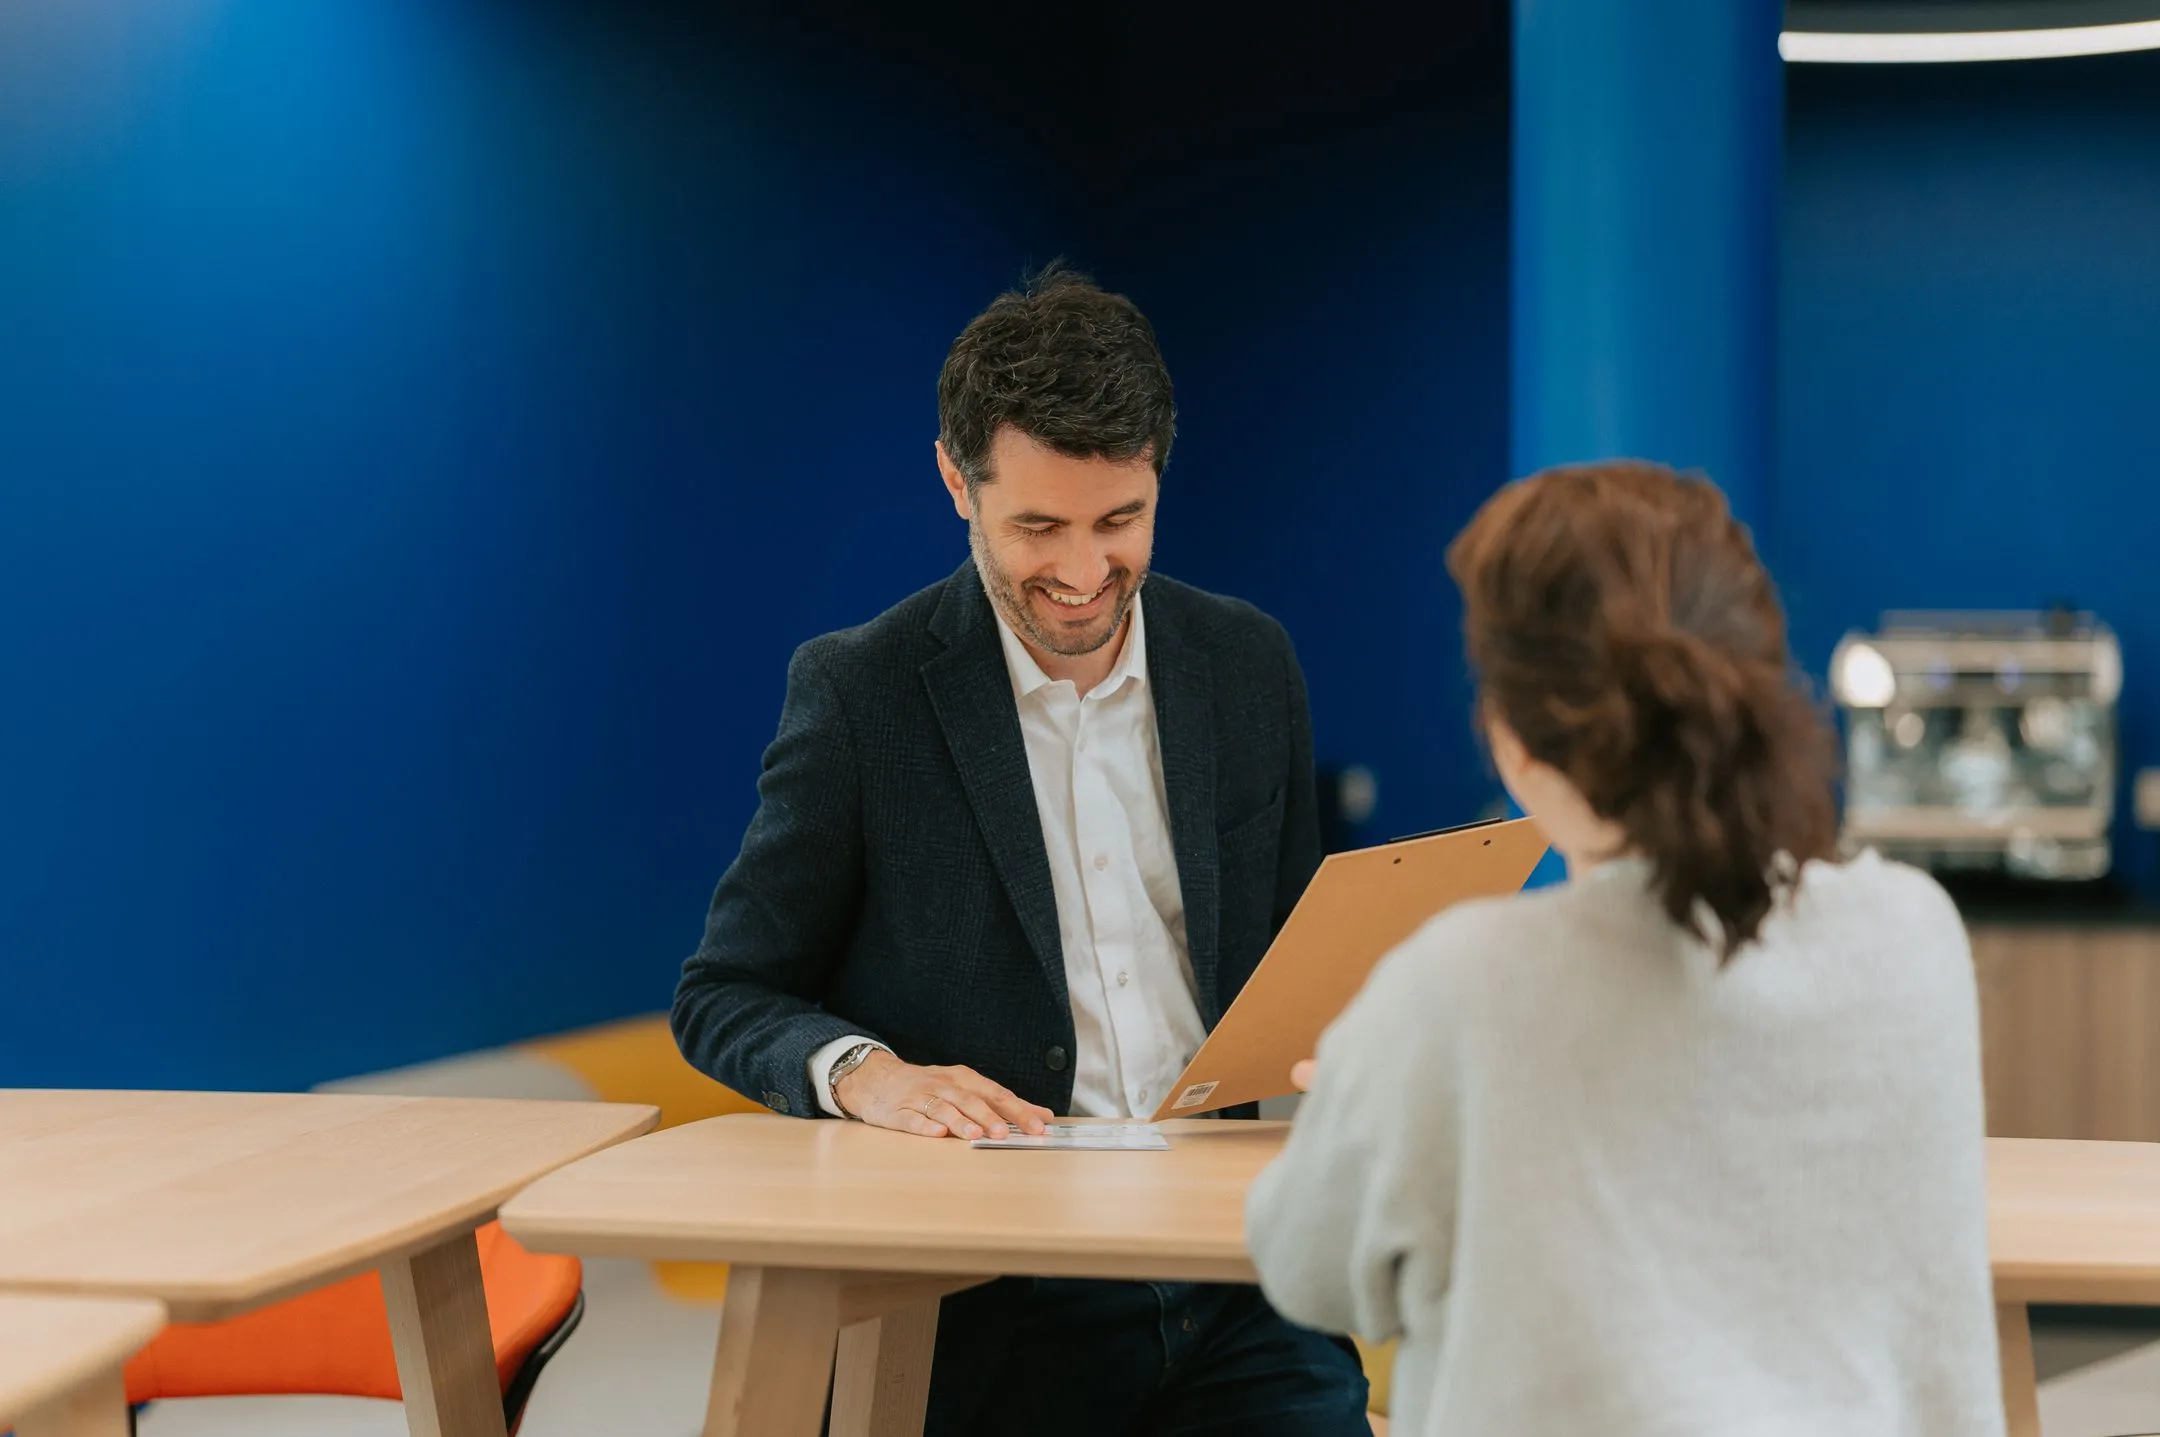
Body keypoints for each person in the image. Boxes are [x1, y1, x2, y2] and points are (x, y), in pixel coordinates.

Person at [673, 263, 1370, 1436]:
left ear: (1160, 470)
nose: (1085, 574)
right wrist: (867, 1076)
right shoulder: (861, 694)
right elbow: (725, 992)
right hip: (987, 1305)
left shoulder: (1250, 663)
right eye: (1037, 526)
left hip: (1238, 1274)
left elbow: (1298, 952)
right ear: (957, 481)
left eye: (1120, 522)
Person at [1247, 461, 2003, 1436]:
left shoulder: (1461, 985)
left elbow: (1307, 1272)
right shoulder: (1915, 932)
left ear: (1512, 739)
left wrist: (1364, 1085)